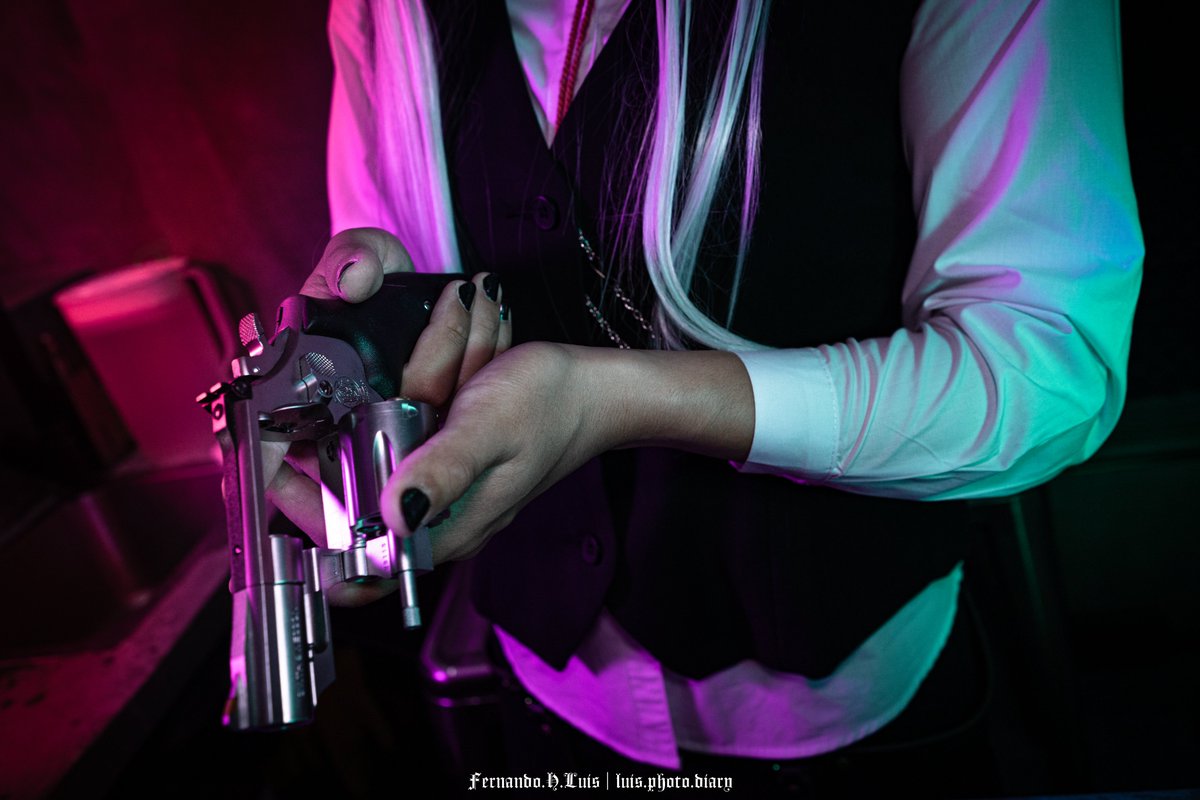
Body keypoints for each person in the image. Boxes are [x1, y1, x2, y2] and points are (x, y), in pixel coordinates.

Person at [268, 0, 1142, 794]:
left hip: (852, 724)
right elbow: (407, 310)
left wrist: (619, 399)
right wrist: (374, 353)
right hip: (551, 699)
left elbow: (1043, 365)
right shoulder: (380, 15)